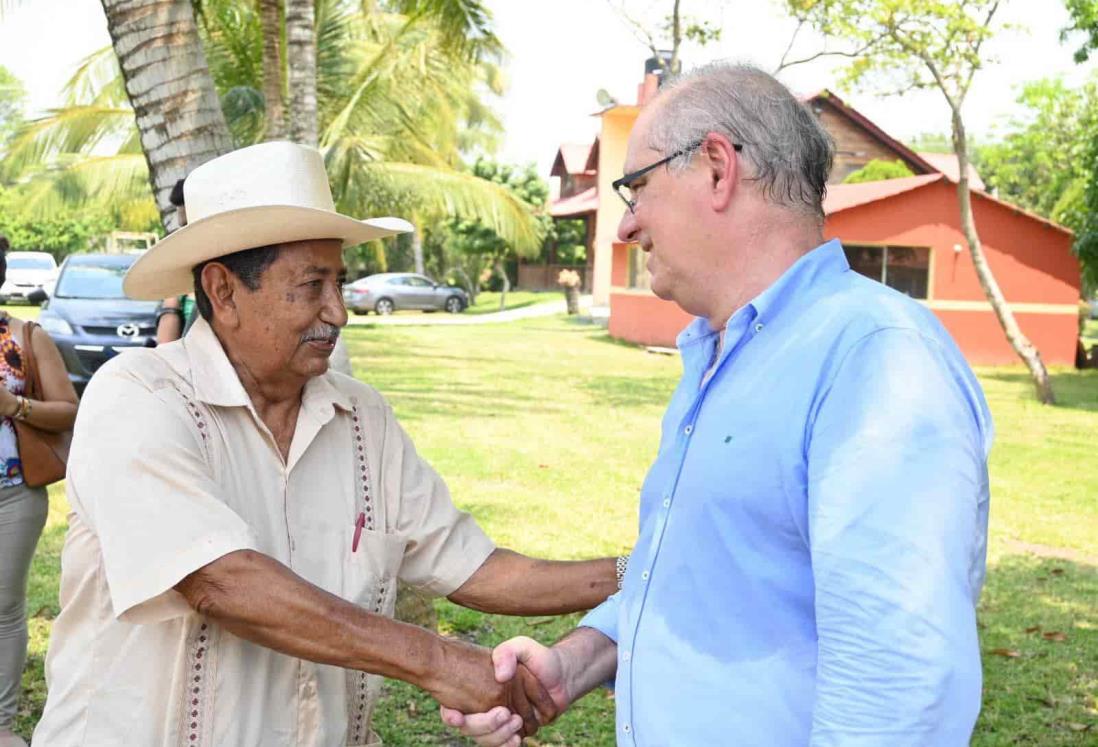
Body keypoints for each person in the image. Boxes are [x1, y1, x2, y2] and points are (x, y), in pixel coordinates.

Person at [442, 62, 994, 746]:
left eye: (635, 187)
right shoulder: (723, 355)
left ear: (714, 168)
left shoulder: (871, 355)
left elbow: (899, 683)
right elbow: (696, 575)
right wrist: (573, 663)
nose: (626, 226)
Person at [33, 142, 618, 746]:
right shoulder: (139, 396)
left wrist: (640, 571)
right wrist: (439, 662)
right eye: (312, 286)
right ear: (224, 291)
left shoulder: (362, 417)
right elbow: (221, 582)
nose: (337, 311)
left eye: (338, 282)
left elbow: (476, 568)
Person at [0, 236, 79, 747]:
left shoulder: (26, 337)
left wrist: (13, 406)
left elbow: (69, 409)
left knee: (3, 608)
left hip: (12, 497)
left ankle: (1, 723)